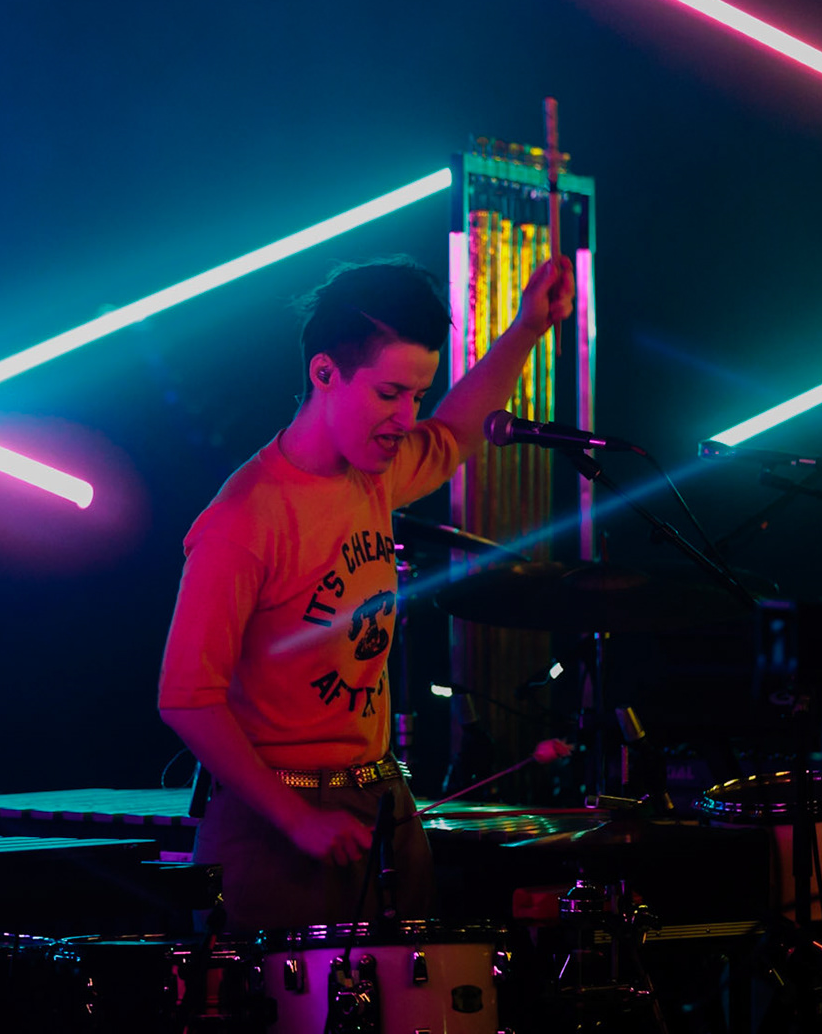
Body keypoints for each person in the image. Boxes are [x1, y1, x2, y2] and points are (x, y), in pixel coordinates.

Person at [158, 253, 574, 929]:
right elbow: (186, 699)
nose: (408, 417)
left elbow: (457, 432)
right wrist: (297, 820)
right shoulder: (244, 519)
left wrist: (528, 327)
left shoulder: (371, 474)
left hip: (380, 801)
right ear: (324, 373)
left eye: (417, 395)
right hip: (274, 821)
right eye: (389, 395)